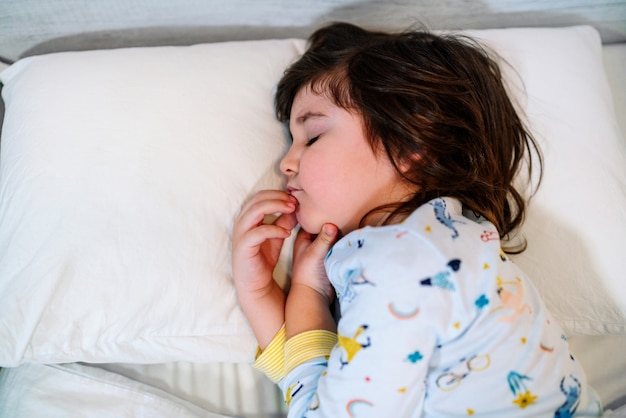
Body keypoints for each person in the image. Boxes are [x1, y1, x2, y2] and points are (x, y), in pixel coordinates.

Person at [231, 22, 602, 417]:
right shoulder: (448, 241)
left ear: (410, 143)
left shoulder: (403, 263)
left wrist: (304, 293)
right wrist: (262, 296)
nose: (286, 163)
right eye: (291, 142)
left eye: (313, 136)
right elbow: (326, 389)